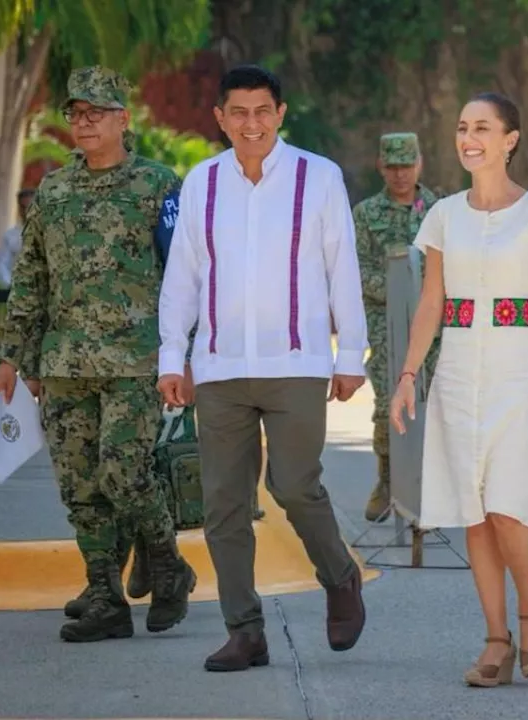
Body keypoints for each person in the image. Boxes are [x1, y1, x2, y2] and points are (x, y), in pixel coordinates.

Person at [157, 64, 369, 672]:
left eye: (262, 112)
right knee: (223, 503)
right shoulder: (201, 182)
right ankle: (244, 630)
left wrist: (349, 355)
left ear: (280, 114)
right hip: (220, 365)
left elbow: (342, 269)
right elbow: (185, 277)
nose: (251, 124)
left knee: (294, 485)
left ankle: (339, 577)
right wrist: (174, 355)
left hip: (296, 360)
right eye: (238, 113)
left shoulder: (319, 178)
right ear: (220, 119)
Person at [0, 65, 196, 643]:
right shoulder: (54, 191)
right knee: (80, 485)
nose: (84, 123)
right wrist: (13, 357)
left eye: (96, 113)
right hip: (64, 364)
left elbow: (188, 275)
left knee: (124, 472)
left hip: (137, 362)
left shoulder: (158, 184)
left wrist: (187, 357)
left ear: (123, 120)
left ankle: (167, 563)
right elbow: (31, 277)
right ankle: (105, 594)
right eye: (76, 114)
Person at [390, 92, 528, 689]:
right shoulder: (443, 214)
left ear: (510, 139)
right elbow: (431, 304)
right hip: (458, 370)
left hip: (523, 371)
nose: (469, 137)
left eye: (482, 127)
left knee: (508, 503)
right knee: (473, 509)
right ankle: (495, 637)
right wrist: (406, 376)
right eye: (462, 128)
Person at [354, 131, 440, 522]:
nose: (400, 175)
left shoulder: (438, 210)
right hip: (384, 321)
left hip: (435, 326)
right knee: (387, 402)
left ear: (419, 164)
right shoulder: (366, 214)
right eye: (393, 167)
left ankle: (430, 488)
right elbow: (357, 269)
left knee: (435, 405)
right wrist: (400, 291)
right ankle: (386, 479)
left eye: (407, 166)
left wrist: (428, 297)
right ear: (380, 167)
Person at [0, 188, 35, 288]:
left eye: (30, 206)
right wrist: (10, 285)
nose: (26, 211)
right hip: (18, 291)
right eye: (23, 207)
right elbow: (2, 264)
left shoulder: (50, 233)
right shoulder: (10, 235)